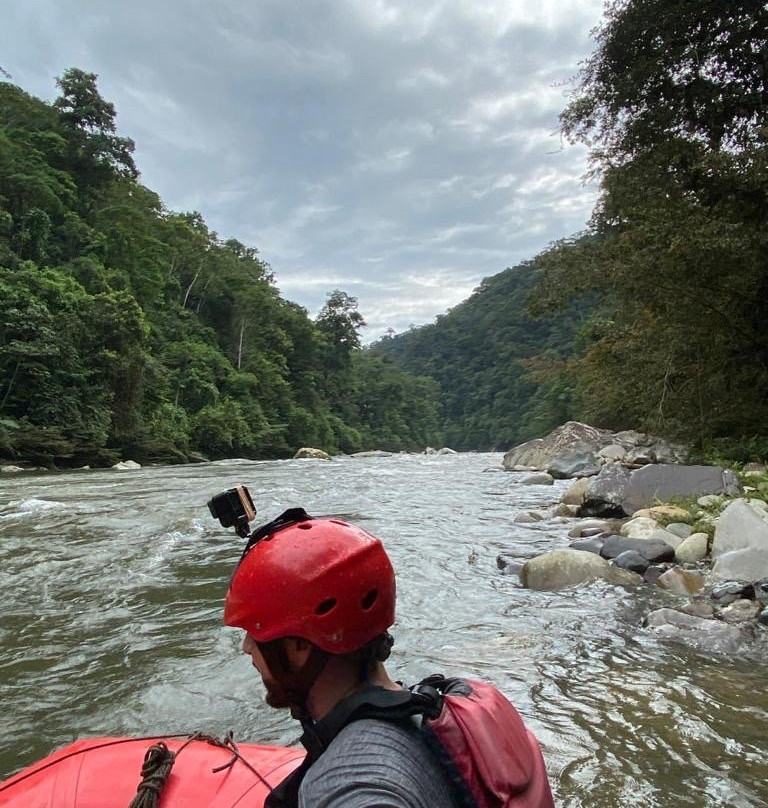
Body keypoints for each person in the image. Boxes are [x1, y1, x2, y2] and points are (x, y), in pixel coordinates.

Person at [224, 508, 553, 808]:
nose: (247, 648)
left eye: (256, 634)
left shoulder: (350, 782)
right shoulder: (449, 703)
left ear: (300, 647)